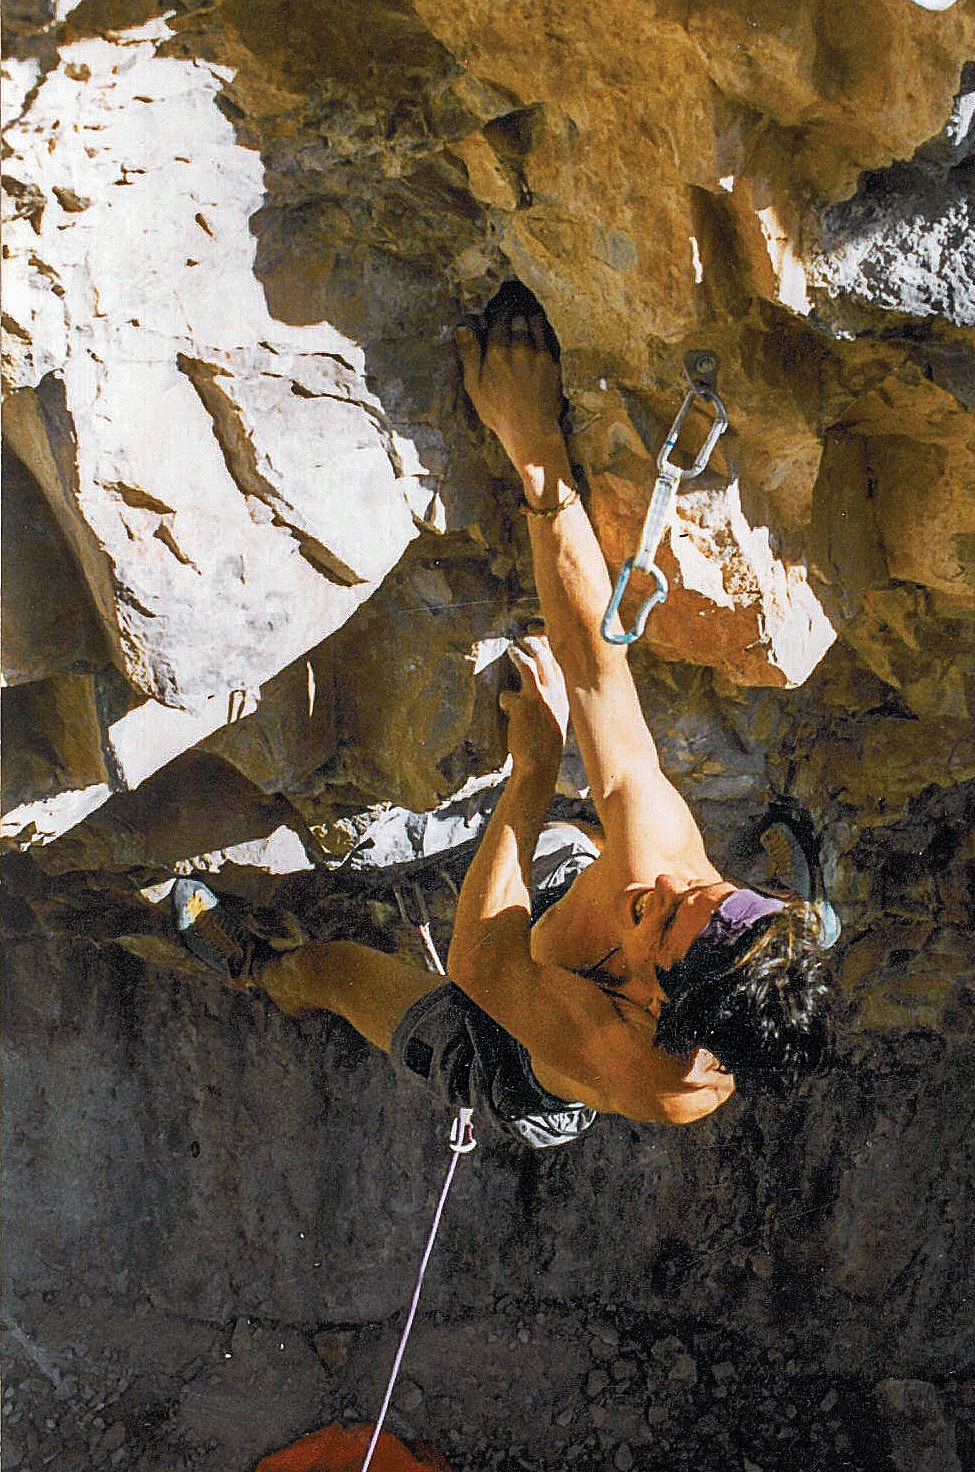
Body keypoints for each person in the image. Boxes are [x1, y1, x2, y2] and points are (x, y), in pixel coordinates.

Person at [174, 289, 834, 1148]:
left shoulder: (638, 1064)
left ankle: (255, 969)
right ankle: (800, 915)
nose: (664, 880)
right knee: (591, 850)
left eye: (667, 920)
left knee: (333, 971)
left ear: (654, 1002)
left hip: (507, 1058)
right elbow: (600, 673)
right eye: (706, 890)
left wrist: (532, 771)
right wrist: (536, 455)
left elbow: (483, 967)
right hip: (569, 929)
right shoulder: (668, 866)